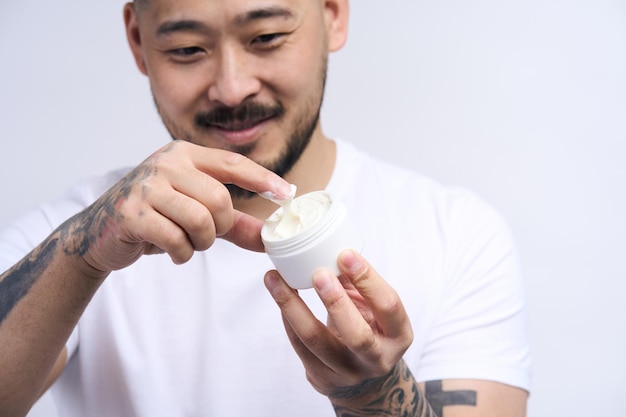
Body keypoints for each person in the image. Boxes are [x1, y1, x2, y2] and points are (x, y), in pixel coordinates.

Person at [0, 0, 531, 416]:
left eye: (267, 38)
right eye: (187, 48)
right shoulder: (69, 238)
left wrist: (373, 396)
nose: (232, 88)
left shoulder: (455, 235)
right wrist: (82, 257)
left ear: (332, 15)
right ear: (139, 42)